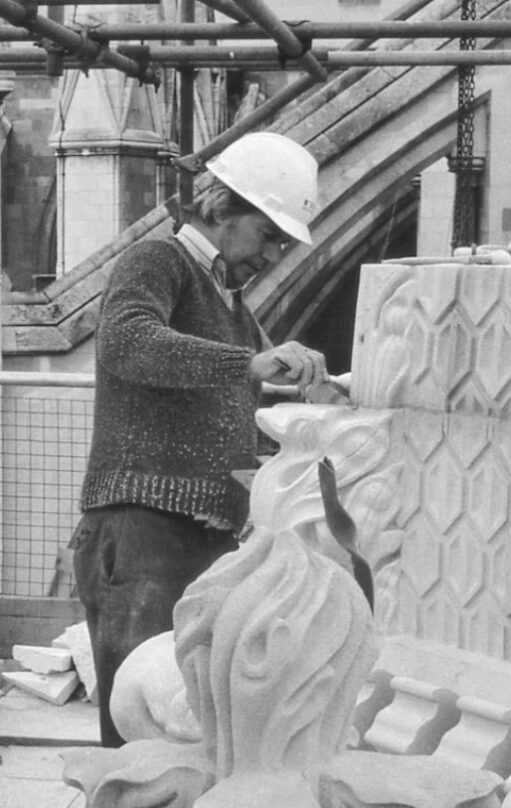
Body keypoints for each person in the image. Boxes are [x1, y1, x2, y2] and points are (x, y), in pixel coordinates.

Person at [71, 132, 329, 747]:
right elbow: (128, 343)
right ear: (220, 206)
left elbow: (214, 409)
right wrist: (248, 363)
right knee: (142, 741)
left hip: (199, 538)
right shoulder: (159, 261)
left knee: (185, 737)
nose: (272, 255)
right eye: (268, 235)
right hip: (143, 533)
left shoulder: (232, 305)